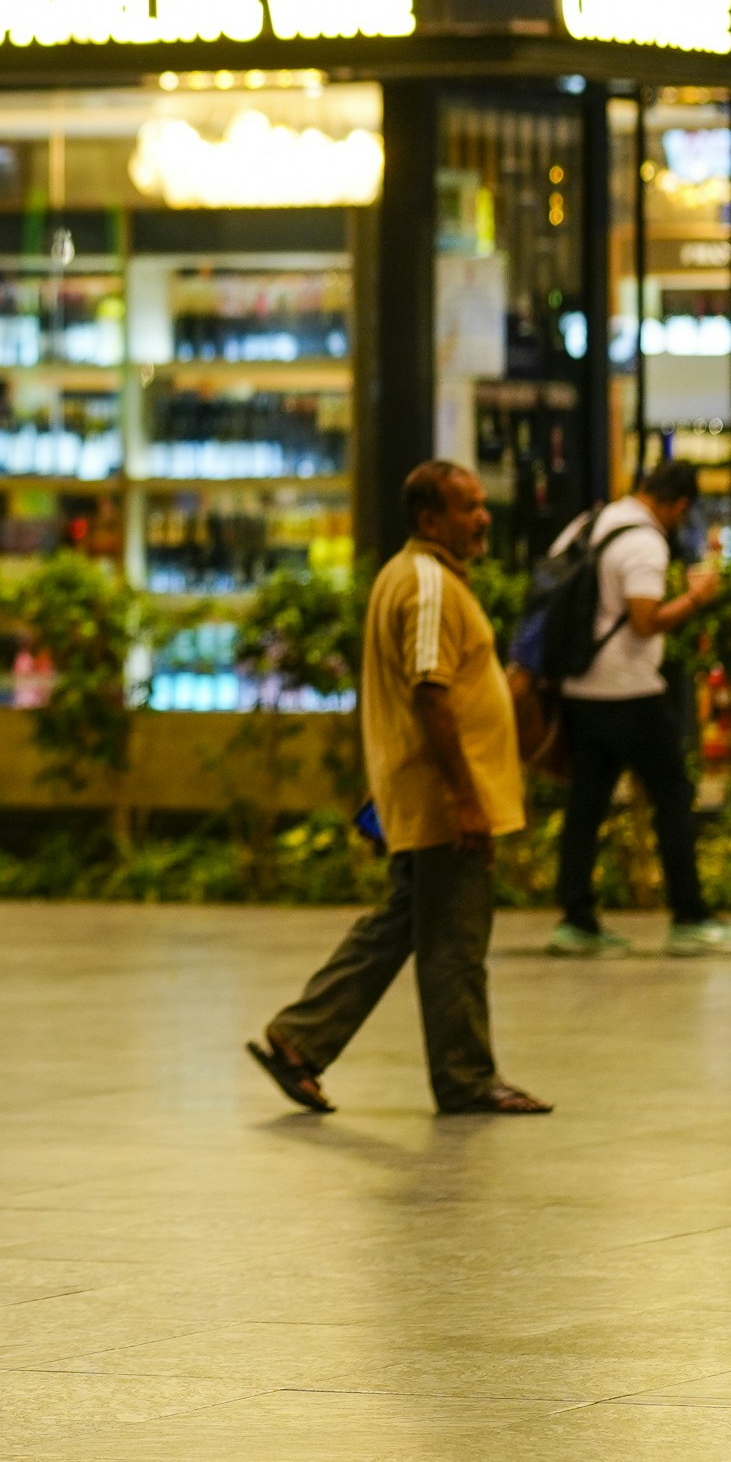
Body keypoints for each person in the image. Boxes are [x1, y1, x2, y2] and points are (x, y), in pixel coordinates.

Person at [247, 460, 548, 1117]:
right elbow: (429, 692)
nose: (483, 516)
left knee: (403, 924)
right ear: (429, 519)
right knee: (456, 940)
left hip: (426, 794)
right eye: (468, 506)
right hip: (442, 800)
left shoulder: (420, 576)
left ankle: (299, 1038)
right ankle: (466, 1077)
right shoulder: (428, 582)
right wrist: (465, 798)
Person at [544, 461, 731, 958]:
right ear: (679, 504)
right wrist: (696, 598)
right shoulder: (645, 543)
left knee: (586, 805)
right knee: (673, 796)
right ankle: (689, 916)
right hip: (631, 691)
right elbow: (643, 620)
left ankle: (576, 920)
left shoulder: (592, 522)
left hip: (580, 687)